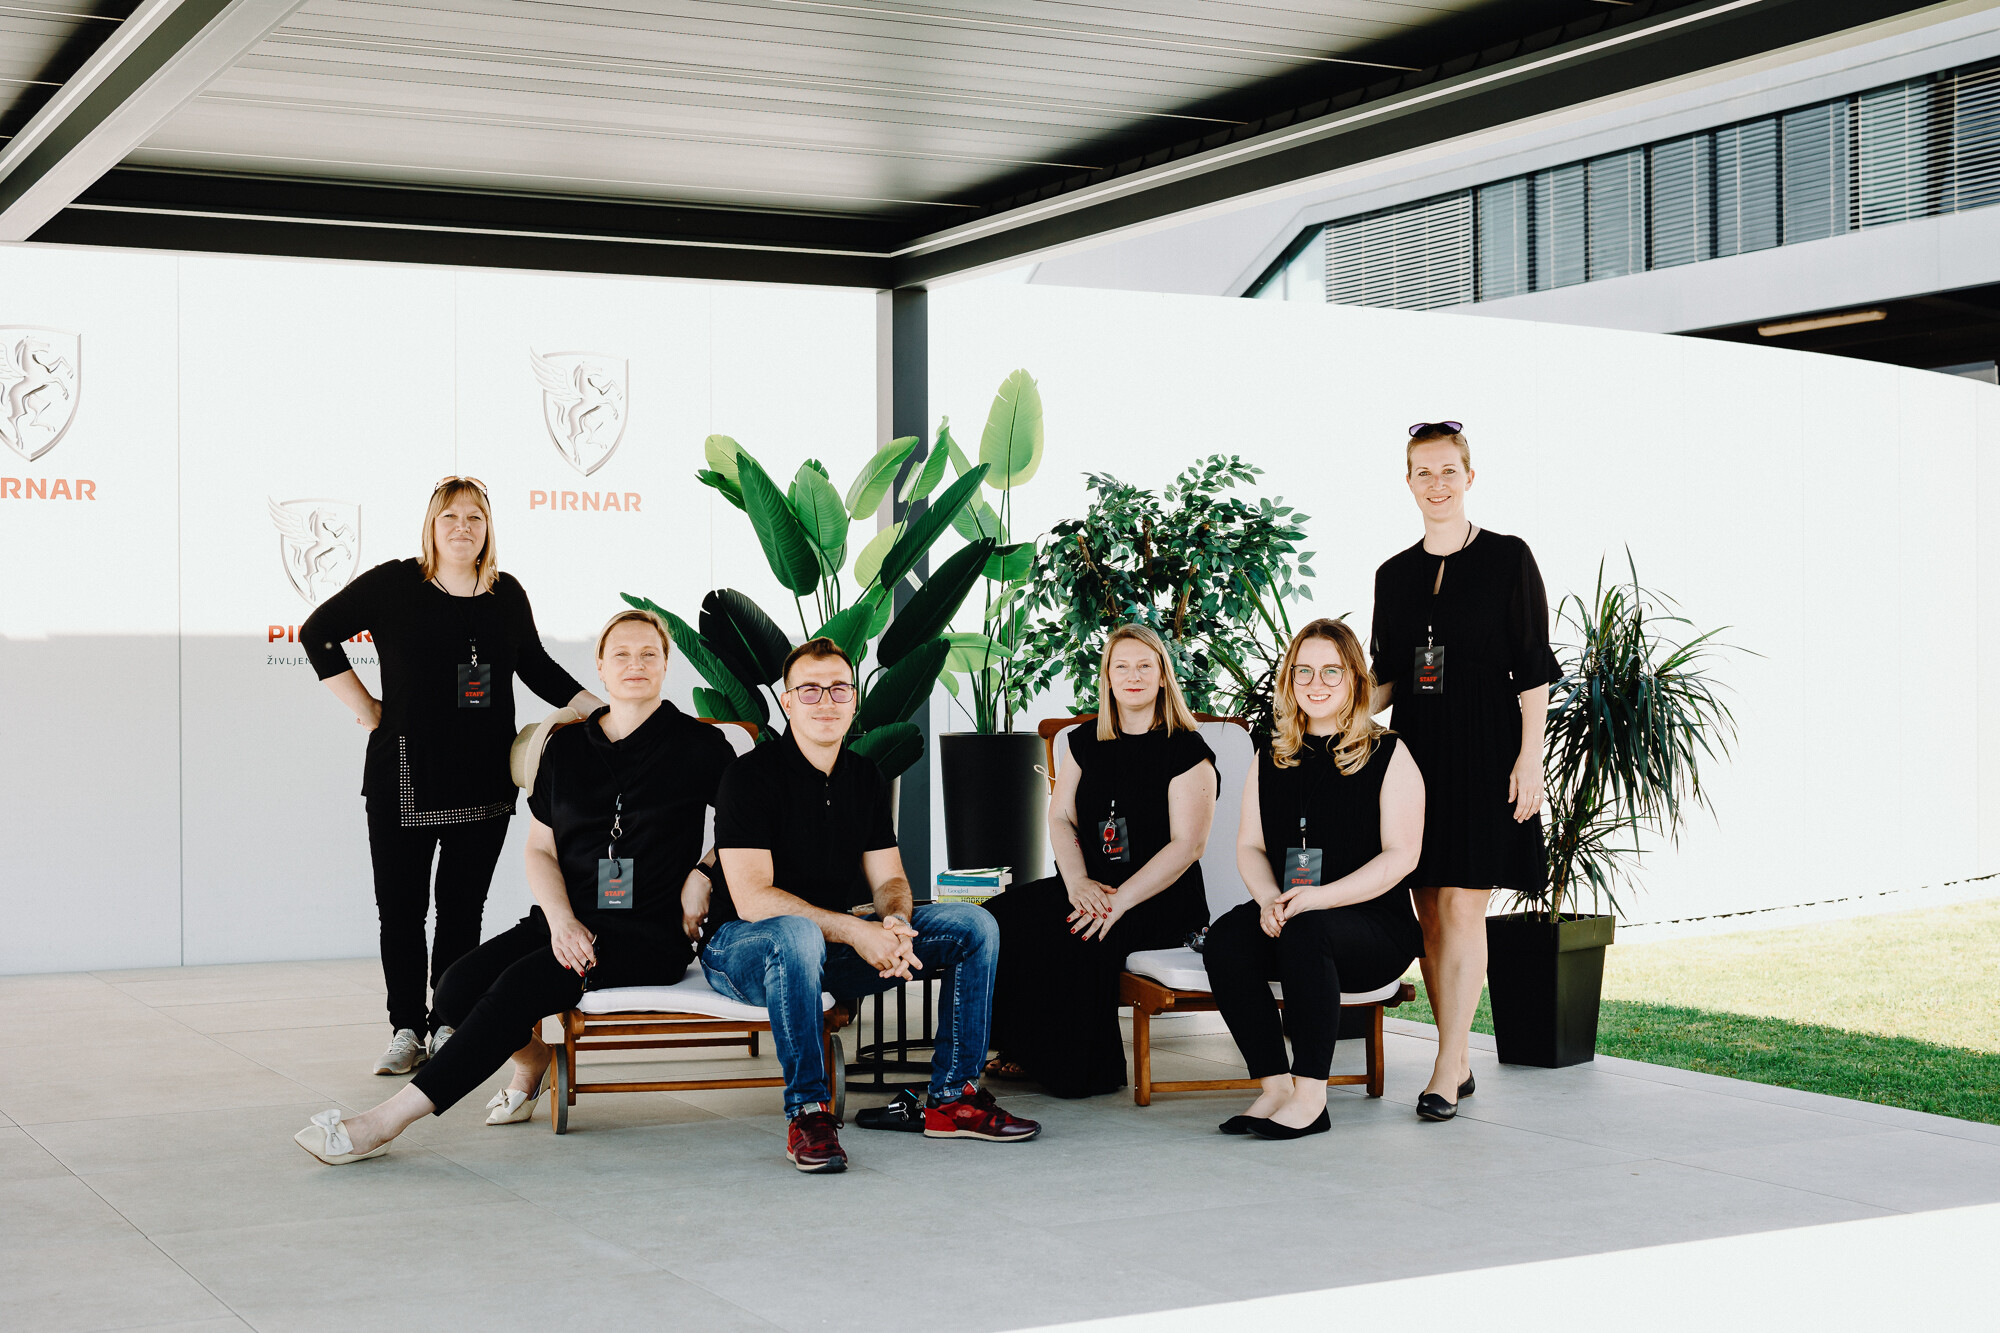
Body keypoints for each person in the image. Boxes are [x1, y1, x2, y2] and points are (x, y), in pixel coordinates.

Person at [294, 609, 733, 1164]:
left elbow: (748, 831)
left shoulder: (701, 744)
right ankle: (533, 1060)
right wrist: (561, 920)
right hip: (564, 917)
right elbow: (540, 849)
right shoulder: (565, 747)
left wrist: (703, 872)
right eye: (621, 654)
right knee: (454, 990)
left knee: (520, 987)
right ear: (600, 667)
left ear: (666, 665)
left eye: (649, 654)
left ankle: (383, 1123)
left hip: (645, 932)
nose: (635, 664)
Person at [701, 637, 1041, 1174]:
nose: (826, 701)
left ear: (854, 700)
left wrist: (895, 923)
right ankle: (808, 1114)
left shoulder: (863, 776)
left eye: (839, 689)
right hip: (744, 950)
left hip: (829, 944)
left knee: (974, 924)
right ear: (787, 702)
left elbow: (890, 879)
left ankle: (953, 1099)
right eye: (810, 691)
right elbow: (753, 898)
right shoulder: (748, 777)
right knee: (796, 934)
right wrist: (859, 932)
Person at [300, 477, 601, 1076]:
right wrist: (367, 709)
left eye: (475, 517)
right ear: (431, 526)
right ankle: (405, 1028)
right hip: (403, 775)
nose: (463, 527)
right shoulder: (395, 583)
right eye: (450, 516)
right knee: (402, 911)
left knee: (463, 910)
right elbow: (317, 633)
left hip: (485, 777)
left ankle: (447, 1022)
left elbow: (536, 666)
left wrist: (603, 713)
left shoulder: (506, 593)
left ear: (489, 528)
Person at [1367, 422, 1559, 1121]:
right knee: (1429, 914)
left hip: (1487, 750)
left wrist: (1530, 756)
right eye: (1423, 472)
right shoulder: (1392, 574)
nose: (1437, 483)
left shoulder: (1510, 557)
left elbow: (1533, 667)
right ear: (1408, 482)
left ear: (1469, 477)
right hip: (1415, 756)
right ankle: (1459, 1056)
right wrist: (1326, 702)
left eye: (1449, 470)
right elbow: (1387, 678)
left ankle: (1447, 1065)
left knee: (1462, 905)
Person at [1205, 619, 1424, 1140]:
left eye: (1331, 670)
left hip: (1373, 927)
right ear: (1290, 679)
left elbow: (1402, 856)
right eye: (1303, 671)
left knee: (1307, 930)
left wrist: (1318, 898)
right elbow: (1250, 845)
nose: (1316, 682)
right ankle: (1275, 1087)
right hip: (1295, 913)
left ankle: (1310, 1097)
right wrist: (1268, 900)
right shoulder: (1271, 755)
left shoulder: (1389, 753)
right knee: (1228, 938)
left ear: (1355, 679)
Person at [985, 623, 1219, 1098]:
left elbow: (1187, 846)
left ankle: (1086, 1070)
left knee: (1076, 931)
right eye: (1121, 666)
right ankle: (1020, 1047)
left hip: (1158, 900)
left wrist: (1119, 901)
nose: (1133, 676)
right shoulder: (1082, 741)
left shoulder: (1187, 750)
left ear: (1162, 676)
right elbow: (1060, 819)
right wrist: (1076, 883)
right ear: (1107, 677)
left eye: (1144, 666)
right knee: (1000, 916)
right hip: (1090, 886)